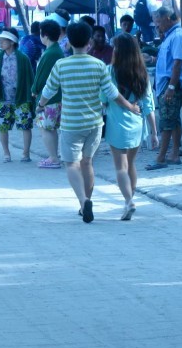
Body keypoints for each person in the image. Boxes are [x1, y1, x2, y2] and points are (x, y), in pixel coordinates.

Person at [37, 21, 140, 223]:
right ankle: (88, 200)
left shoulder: (61, 65)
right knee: (87, 163)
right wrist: (130, 107)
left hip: (71, 124)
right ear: (89, 41)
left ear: (69, 42)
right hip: (94, 123)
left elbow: (48, 91)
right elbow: (113, 94)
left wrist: (40, 105)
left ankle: (84, 201)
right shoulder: (98, 65)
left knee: (72, 164)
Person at [102, 32, 158, 219]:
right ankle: (129, 201)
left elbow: (104, 98)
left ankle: (128, 201)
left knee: (120, 167)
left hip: (117, 125)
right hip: (137, 126)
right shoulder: (142, 73)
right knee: (131, 165)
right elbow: (149, 105)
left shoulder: (110, 71)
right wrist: (154, 133)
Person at [146, 6, 182, 171]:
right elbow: (168, 61)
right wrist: (151, 58)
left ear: (168, 19)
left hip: (171, 85)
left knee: (167, 122)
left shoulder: (177, 36)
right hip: (166, 84)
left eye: (159, 22)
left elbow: (177, 63)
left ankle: (161, 157)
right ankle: (174, 154)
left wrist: (171, 87)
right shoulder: (170, 36)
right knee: (173, 120)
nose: (157, 26)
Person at [0, 28, 34, 163]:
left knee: (25, 125)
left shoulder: (23, 58)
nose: (1, 43)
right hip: (4, 97)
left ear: (12, 42)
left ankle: (26, 153)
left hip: (21, 98)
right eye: (1, 40)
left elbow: (29, 78)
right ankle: (6, 153)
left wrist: (31, 96)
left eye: (4, 40)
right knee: (2, 125)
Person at [31, 19, 65, 169]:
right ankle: (54, 156)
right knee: (51, 129)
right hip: (57, 96)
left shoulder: (50, 53)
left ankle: (53, 157)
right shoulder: (57, 51)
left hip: (48, 98)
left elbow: (41, 76)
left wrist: (34, 90)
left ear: (44, 35)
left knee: (46, 128)